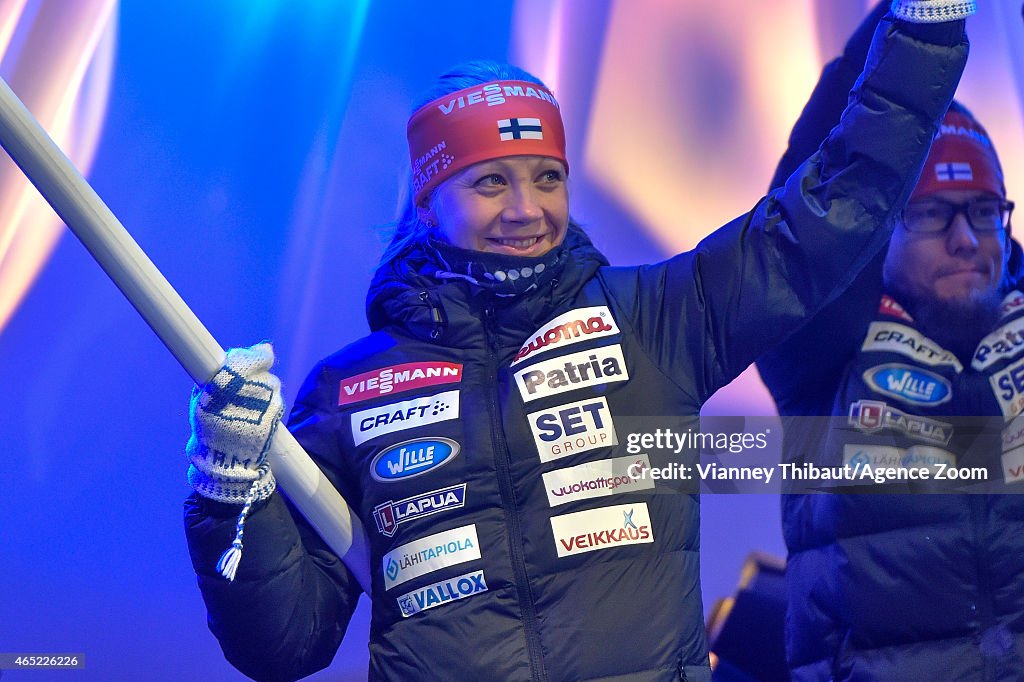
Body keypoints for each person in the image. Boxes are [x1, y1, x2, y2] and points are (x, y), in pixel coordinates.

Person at [183, 4, 973, 680]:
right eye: (491, 181)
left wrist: (924, 34)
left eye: (547, 177)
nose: (527, 208)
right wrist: (228, 489)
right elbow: (283, 643)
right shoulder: (350, 390)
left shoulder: (660, 317)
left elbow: (832, 208)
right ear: (427, 201)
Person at [757, 3, 1023, 680]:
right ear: (882, 227)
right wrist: (913, 18)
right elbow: (806, 190)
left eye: (985, 211)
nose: (966, 238)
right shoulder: (819, 346)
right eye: (932, 212)